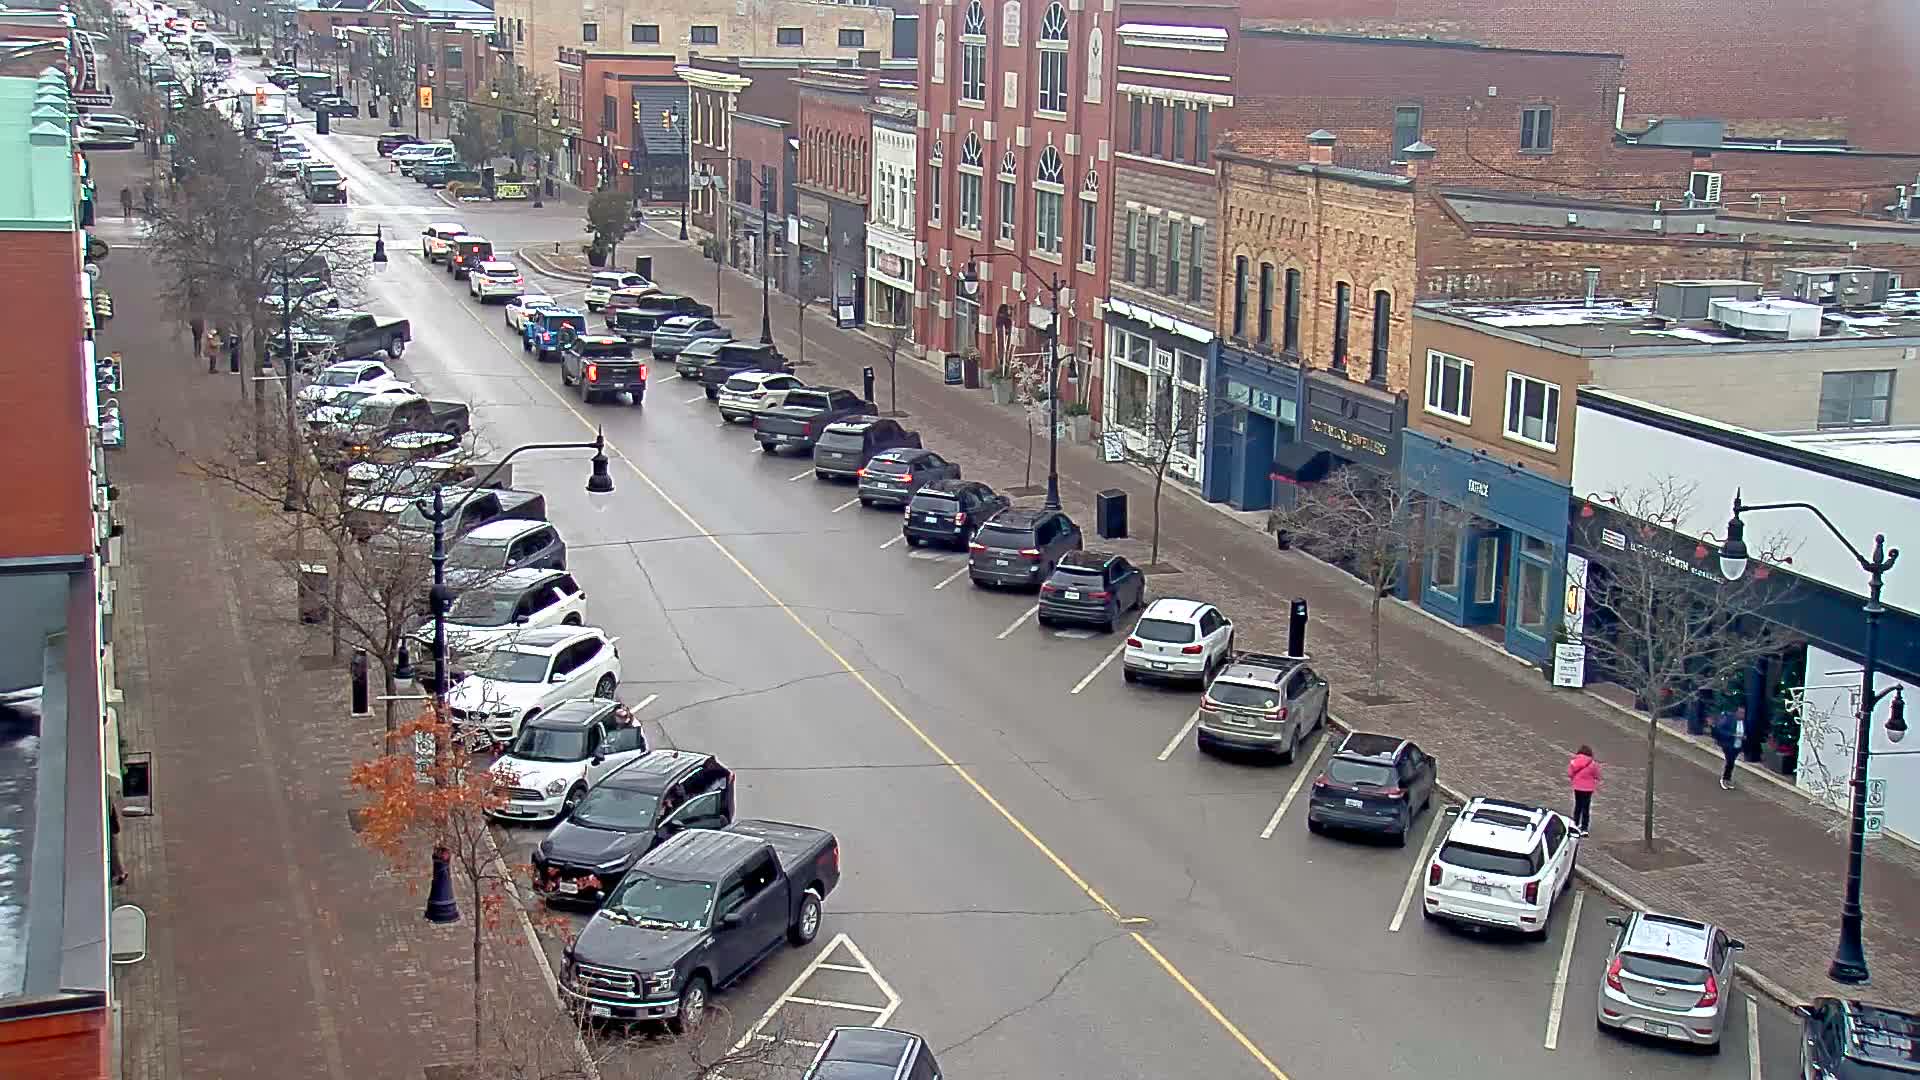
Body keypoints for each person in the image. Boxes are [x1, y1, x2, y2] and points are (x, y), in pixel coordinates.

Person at [1567, 745, 1601, 835]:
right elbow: (1597, 776)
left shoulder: (1574, 762)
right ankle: (1584, 829)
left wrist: (1575, 779)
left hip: (1577, 787)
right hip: (1588, 789)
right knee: (1586, 808)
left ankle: (1575, 824)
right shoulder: (1593, 764)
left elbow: (1570, 774)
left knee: (1578, 806)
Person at [1713, 706, 1747, 790]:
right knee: (1730, 761)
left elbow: (1745, 732)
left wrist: (1744, 737)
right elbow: (1720, 729)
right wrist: (1732, 735)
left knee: (1731, 762)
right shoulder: (1729, 719)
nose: (1742, 715)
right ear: (1736, 712)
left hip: (1737, 746)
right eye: (1740, 713)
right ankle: (1724, 779)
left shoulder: (1745, 722)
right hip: (1728, 745)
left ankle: (1727, 779)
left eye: (1743, 713)